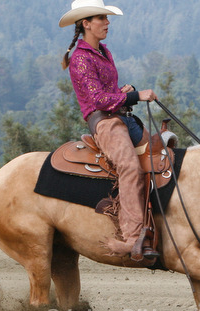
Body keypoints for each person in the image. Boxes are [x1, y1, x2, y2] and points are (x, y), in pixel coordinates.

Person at [59, 0, 158, 261]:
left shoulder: (103, 51)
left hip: (120, 117)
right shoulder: (80, 58)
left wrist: (123, 92)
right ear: (86, 23)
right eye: (101, 18)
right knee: (130, 167)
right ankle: (132, 238)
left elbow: (108, 93)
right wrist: (136, 95)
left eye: (106, 18)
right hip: (105, 123)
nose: (107, 22)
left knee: (163, 158)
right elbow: (98, 100)